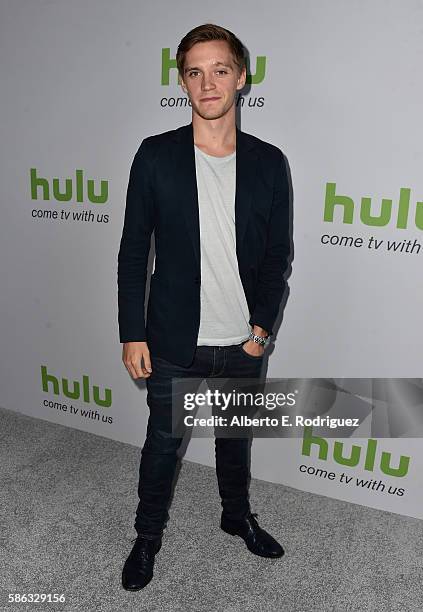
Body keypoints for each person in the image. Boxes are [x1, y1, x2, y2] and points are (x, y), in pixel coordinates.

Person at [117, 23, 292, 591]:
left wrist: (261, 330)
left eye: (220, 69)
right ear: (183, 81)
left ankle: (236, 514)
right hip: (174, 340)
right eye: (195, 71)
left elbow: (276, 258)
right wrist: (132, 332)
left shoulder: (269, 163)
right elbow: (132, 252)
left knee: (234, 438)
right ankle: (146, 538)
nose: (208, 81)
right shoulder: (155, 155)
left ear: (242, 78)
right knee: (163, 446)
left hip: (242, 340)